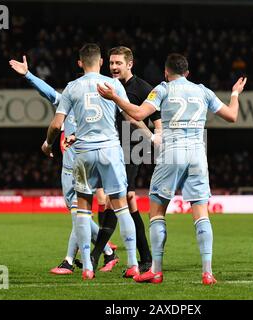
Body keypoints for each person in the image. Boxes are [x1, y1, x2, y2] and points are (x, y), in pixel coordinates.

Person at [97, 53, 247, 285]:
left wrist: (115, 97)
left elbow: (137, 114)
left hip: (172, 153)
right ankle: (207, 272)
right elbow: (232, 116)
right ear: (187, 73)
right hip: (198, 154)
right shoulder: (202, 90)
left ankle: (156, 270)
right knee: (201, 213)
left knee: (157, 213)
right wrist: (235, 93)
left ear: (166, 73)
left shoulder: (162, 90)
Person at [42, 43, 151, 280]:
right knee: (121, 208)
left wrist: (48, 144)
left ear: (80, 62)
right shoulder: (112, 85)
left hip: (83, 153)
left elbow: (56, 125)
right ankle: (133, 263)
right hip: (111, 151)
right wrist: (151, 137)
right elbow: (131, 117)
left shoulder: (72, 88)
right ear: (101, 62)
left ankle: (88, 269)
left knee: (83, 210)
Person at [9, 55, 117, 275]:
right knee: (81, 215)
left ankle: (81, 258)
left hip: (75, 167)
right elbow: (47, 91)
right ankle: (103, 252)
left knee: (79, 214)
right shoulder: (96, 101)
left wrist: (28, 75)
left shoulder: (70, 99)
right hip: (92, 162)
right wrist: (28, 75)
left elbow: (49, 94)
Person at [90, 46, 161, 273]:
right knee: (126, 203)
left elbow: (157, 121)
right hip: (110, 147)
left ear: (130, 64)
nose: (113, 67)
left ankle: (96, 255)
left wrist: (155, 137)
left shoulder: (143, 89)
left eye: (118, 63)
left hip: (134, 147)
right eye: (111, 63)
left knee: (120, 197)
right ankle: (146, 257)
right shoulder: (106, 85)